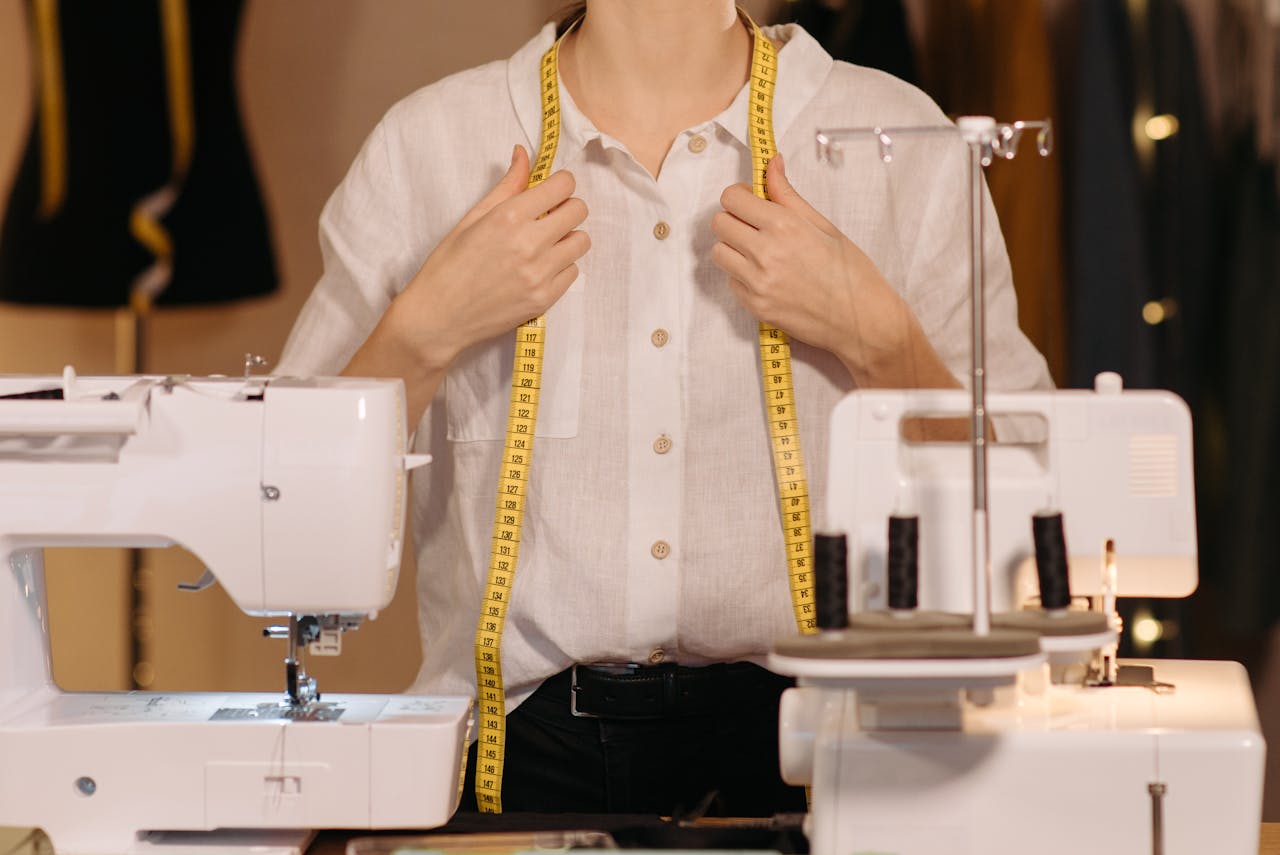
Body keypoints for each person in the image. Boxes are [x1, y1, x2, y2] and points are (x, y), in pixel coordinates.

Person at [277, 0, 1052, 817]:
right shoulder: (428, 148)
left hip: (816, 751)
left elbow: (1033, 520)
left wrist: (883, 342)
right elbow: (288, 511)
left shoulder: (899, 142)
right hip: (517, 759)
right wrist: (421, 334)